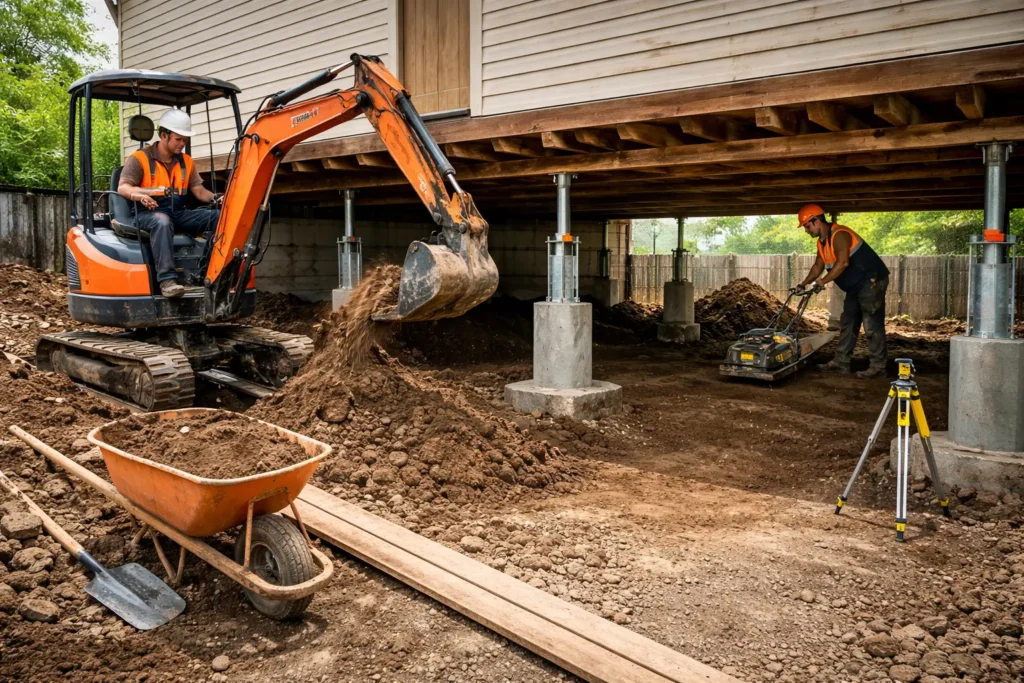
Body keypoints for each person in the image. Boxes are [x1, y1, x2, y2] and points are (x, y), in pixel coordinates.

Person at [117, 109, 220, 298]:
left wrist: (219, 199)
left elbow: (198, 191)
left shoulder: (186, 162)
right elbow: (123, 188)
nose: (182, 144)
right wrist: (140, 196)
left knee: (220, 217)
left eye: (184, 140)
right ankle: (167, 281)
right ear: (164, 135)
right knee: (161, 221)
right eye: (178, 139)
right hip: (145, 214)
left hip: (178, 212)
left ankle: (207, 272)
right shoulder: (140, 159)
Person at [791, 204, 889, 379]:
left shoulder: (839, 234)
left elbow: (843, 262)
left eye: (807, 226)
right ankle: (841, 362)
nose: (806, 230)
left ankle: (878, 367)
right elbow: (818, 266)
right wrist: (803, 284)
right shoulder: (822, 243)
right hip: (855, 287)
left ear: (816, 221)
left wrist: (821, 282)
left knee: (871, 325)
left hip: (871, 281)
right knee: (848, 323)